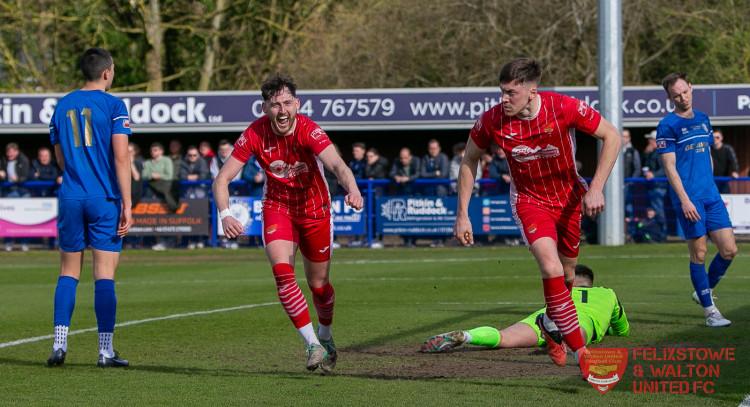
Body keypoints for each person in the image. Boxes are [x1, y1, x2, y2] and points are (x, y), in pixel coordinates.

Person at [453, 58, 620, 372]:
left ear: (532, 92)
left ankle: (550, 323)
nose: (504, 99)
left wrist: (596, 188)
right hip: (529, 202)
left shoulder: (565, 107)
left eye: (511, 93)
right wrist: (462, 214)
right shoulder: (491, 120)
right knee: (549, 264)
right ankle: (581, 352)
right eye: (502, 91)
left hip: (569, 200)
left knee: (568, 276)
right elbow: (469, 160)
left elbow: (613, 136)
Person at [212, 73, 363, 373]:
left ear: (297, 104)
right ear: (265, 108)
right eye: (274, 104)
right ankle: (312, 344)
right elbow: (222, 180)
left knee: (318, 285)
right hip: (277, 208)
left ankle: (326, 336)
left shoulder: (309, 130)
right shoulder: (254, 133)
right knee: (282, 273)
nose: (282, 110)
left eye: (286, 103)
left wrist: (353, 188)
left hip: (316, 211)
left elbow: (337, 165)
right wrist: (224, 214)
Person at [46, 47, 132, 368]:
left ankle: (59, 344)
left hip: (70, 195)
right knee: (104, 275)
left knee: (68, 272)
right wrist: (128, 204)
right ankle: (105, 351)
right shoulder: (113, 105)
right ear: (107, 72)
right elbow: (122, 157)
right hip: (103, 198)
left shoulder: (61, 106)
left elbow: (59, 160)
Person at [657, 72, 738, 327]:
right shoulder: (667, 125)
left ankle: (703, 290)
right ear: (670, 98)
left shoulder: (704, 119)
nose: (683, 97)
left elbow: (708, 157)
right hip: (688, 200)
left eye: (685, 91)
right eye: (676, 95)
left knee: (729, 250)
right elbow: (669, 167)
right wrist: (685, 200)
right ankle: (710, 311)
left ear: (691, 87)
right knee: (699, 254)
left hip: (711, 196)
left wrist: (712, 186)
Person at [421, 265, 629, 353]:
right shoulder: (608, 293)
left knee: (504, 337)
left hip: (545, 318)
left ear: (572, 282)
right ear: (591, 283)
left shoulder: (563, 289)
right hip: (582, 320)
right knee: (578, 334)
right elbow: (623, 330)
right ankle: (563, 343)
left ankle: (466, 336)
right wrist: (607, 327)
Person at [641, 130, 667, 232]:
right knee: (653, 209)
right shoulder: (651, 153)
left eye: (651, 140)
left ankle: (662, 233)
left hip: (659, 186)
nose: (649, 142)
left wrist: (654, 174)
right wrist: (646, 154)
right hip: (652, 185)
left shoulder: (661, 152)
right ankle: (656, 232)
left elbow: (665, 168)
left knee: (658, 209)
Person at [141, 142, 179, 213]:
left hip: (164, 186)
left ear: (161, 151)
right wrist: (151, 175)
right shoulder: (147, 162)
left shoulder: (167, 160)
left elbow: (169, 176)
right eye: (151, 150)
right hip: (151, 187)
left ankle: (174, 207)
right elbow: (143, 175)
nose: (153, 152)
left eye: (155, 150)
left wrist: (159, 176)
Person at [710, 129, 739, 194]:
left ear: (721, 138)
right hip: (711, 182)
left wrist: (735, 171)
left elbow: (733, 161)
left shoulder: (727, 149)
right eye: (713, 137)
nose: (715, 139)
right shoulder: (708, 149)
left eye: (717, 137)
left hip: (724, 181)